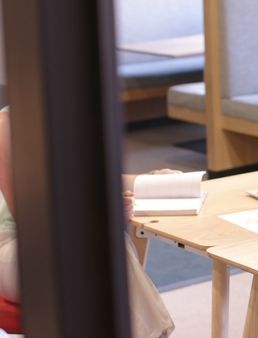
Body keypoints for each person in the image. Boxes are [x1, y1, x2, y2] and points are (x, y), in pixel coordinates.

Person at [0, 106, 175, 338]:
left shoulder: (72, 108)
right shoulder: (8, 124)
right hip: (16, 245)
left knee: (103, 244)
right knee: (97, 247)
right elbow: (29, 219)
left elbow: (92, 177)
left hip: (64, 238)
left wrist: (149, 181)